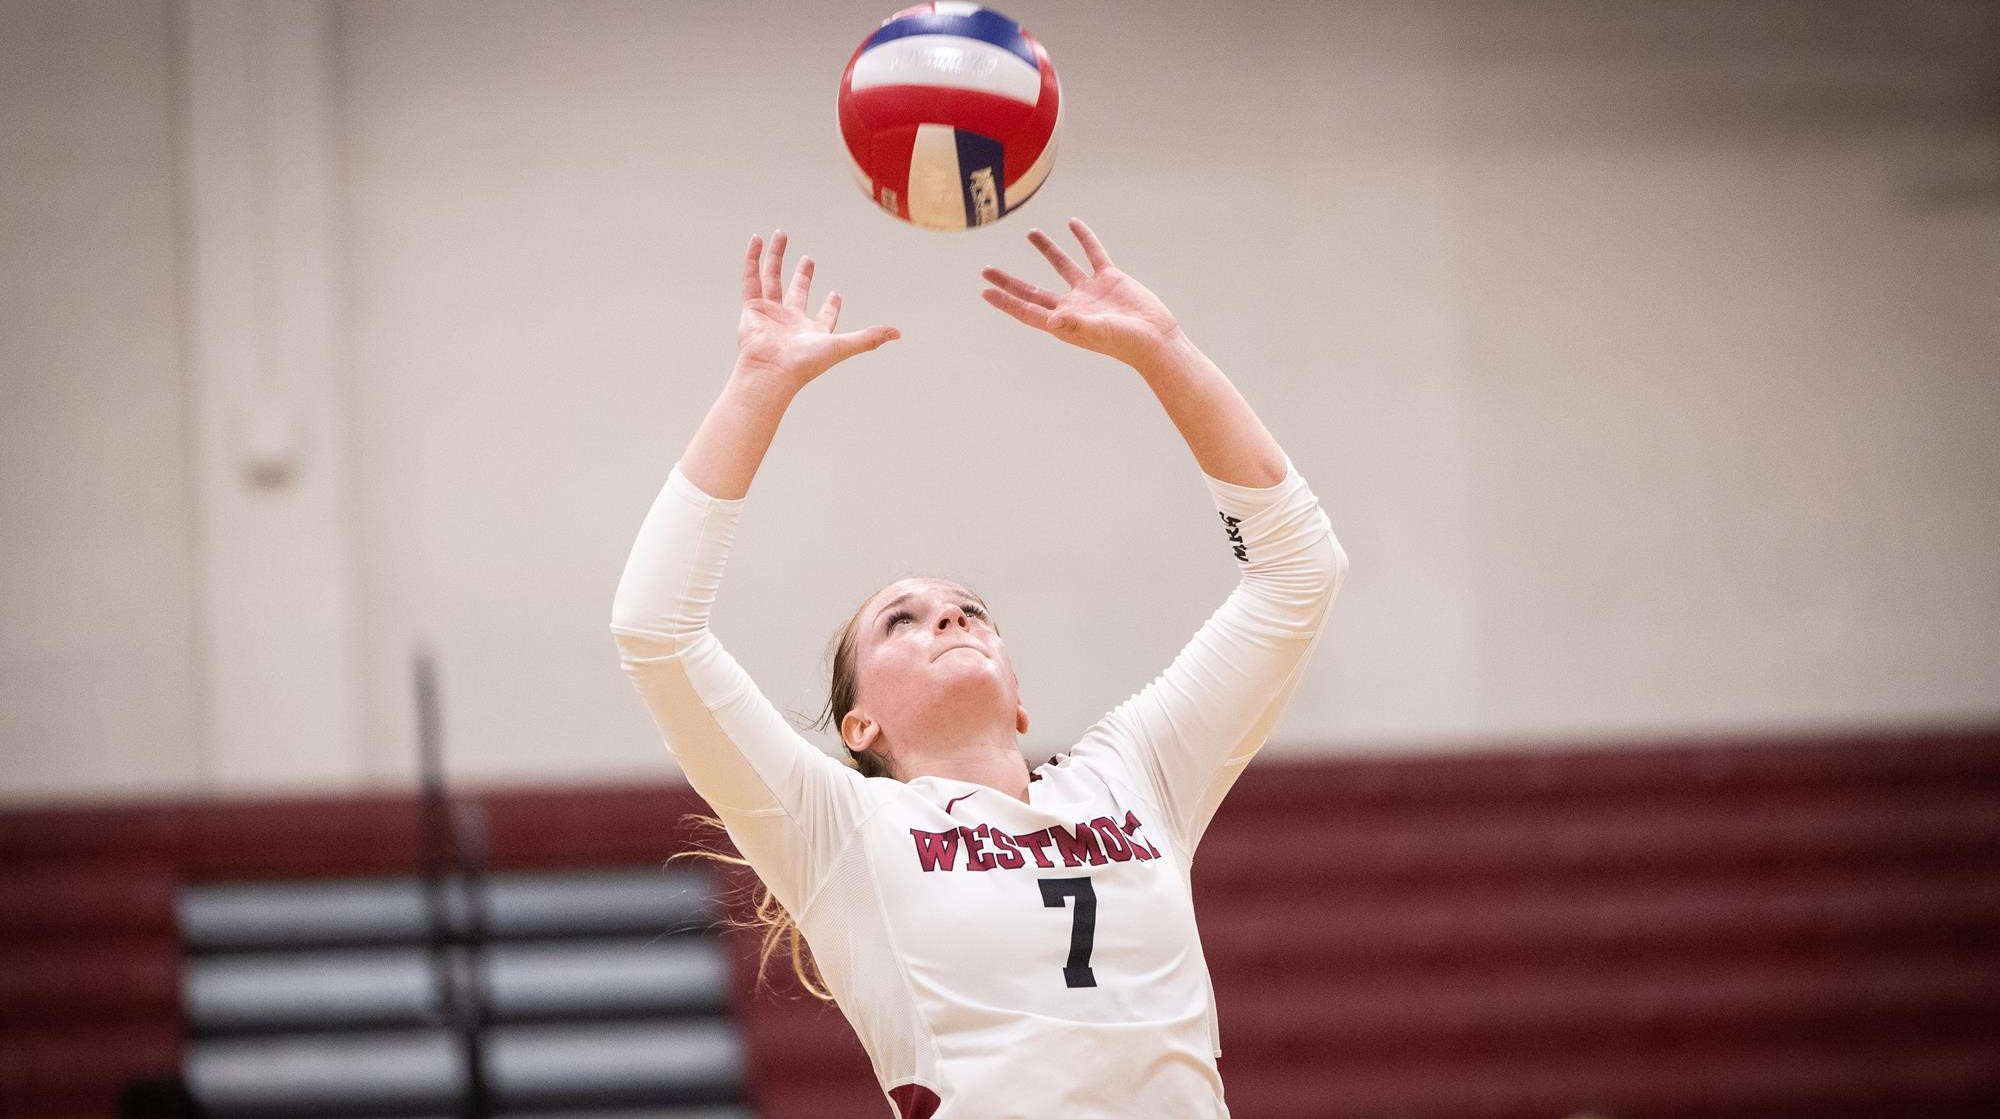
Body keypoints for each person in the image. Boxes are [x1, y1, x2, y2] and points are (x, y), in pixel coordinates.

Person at [611, 219, 1346, 1119]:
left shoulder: (1132, 773)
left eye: (970, 610)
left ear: (1020, 699)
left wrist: (1166, 351)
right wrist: (756, 385)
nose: (950, 617)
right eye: (902, 620)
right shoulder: (841, 829)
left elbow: (1300, 572)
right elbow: (655, 630)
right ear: (859, 725)